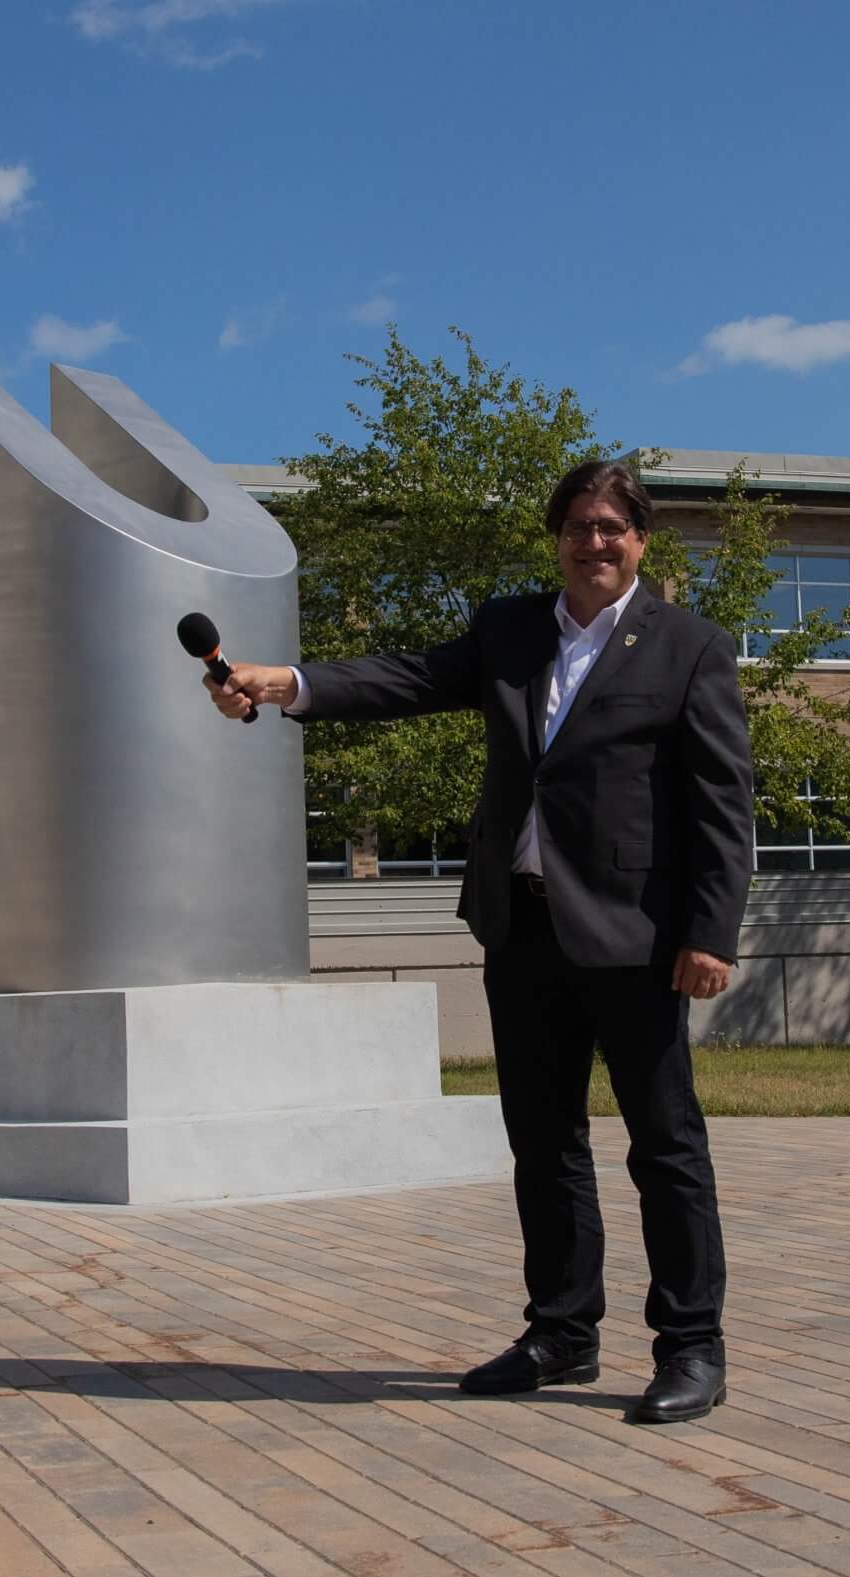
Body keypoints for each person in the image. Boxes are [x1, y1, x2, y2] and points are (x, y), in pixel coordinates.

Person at [205, 459, 754, 1424]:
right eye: (579, 525)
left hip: (638, 937)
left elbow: (723, 806)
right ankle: (561, 1333)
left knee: (666, 1146)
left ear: (642, 541)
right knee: (542, 1142)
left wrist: (710, 930)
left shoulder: (691, 648)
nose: (595, 541)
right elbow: (405, 677)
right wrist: (284, 682)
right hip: (523, 923)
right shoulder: (509, 629)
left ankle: (691, 1345)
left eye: (613, 527)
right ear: (558, 537)